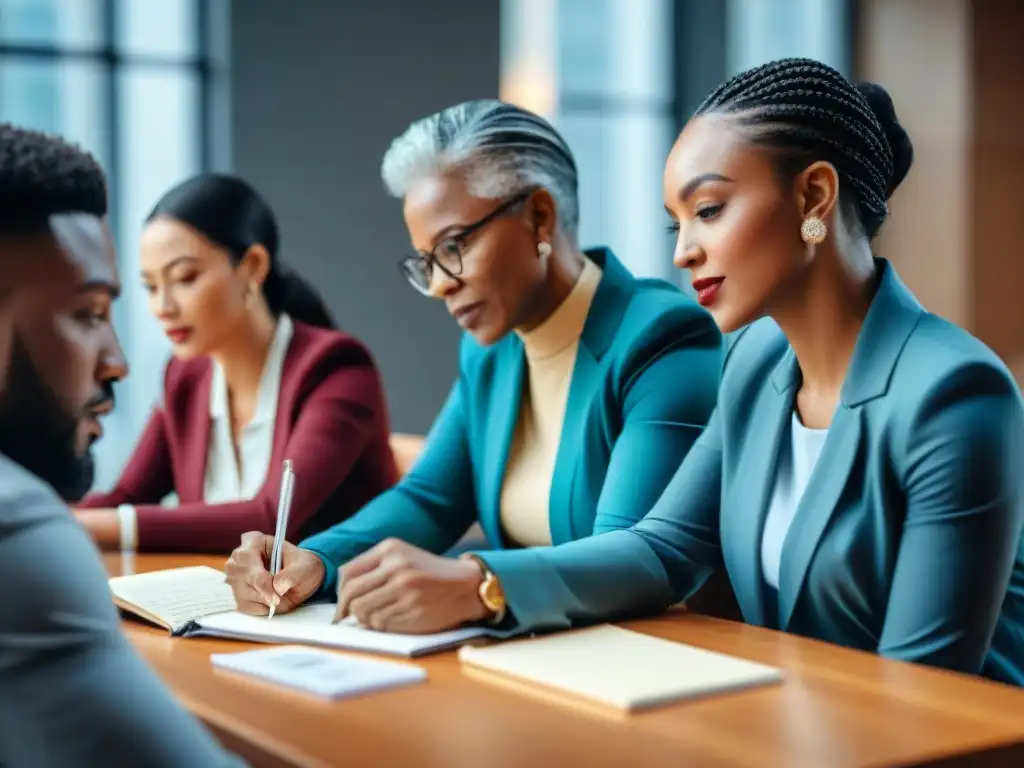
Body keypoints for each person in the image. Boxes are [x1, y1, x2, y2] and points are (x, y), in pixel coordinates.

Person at [319, 59, 1023, 685]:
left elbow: (922, 689)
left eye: (709, 210)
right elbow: (664, 547)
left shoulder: (955, 395)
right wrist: (484, 584)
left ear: (813, 199)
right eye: (675, 224)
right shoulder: (755, 364)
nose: (685, 251)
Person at [224, 99, 724, 627]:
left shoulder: (659, 337)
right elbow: (429, 500)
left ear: (539, 216)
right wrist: (316, 561)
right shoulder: (491, 353)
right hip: (540, 648)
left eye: (454, 245)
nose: (439, 284)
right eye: (426, 262)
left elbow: (632, 556)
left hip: (646, 658)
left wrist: (479, 584)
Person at [0, 123, 241, 764]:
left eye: (182, 278)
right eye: (88, 314)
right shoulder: (14, 527)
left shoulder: (330, 367)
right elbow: (134, 488)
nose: (118, 361)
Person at [77, 173, 398, 552]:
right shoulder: (184, 378)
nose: (162, 308)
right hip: (222, 604)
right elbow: (128, 497)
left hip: (333, 604)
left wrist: (87, 527)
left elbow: (270, 520)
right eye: (151, 286)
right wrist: (41, 515)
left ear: (253, 266)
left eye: (185, 277)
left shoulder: (337, 369)